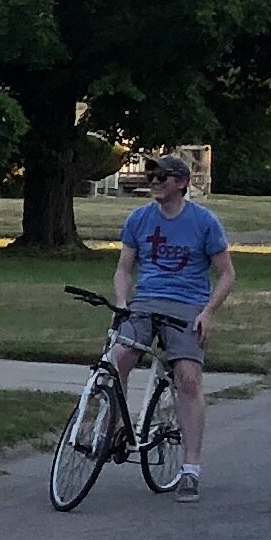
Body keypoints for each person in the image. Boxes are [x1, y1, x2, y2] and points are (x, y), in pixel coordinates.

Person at [110, 152, 233, 494]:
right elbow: (124, 268)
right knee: (118, 357)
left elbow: (226, 274)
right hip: (145, 301)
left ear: (181, 183)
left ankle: (191, 466)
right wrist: (122, 301)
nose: (153, 182)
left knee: (188, 378)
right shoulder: (139, 219)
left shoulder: (204, 222)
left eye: (161, 177)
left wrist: (207, 312)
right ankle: (112, 427)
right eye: (150, 176)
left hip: (187, 305)